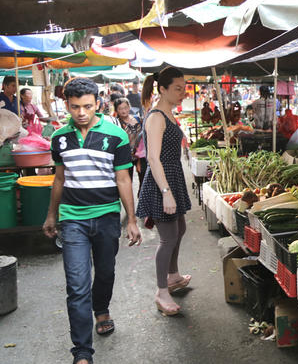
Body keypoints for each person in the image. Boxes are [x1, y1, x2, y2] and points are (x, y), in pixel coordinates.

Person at [42, 77, 142, 364]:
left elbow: (123, 179)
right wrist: (52, 214)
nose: (81, 113)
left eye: (87, 106)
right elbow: (59, 179)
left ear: (97, 103)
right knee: (76, 284)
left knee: (106, 272)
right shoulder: (59, 137)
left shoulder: (116, 136)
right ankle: (82, 351)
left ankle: (102, 309)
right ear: (67, 105)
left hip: (107, 217)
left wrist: (131, 220)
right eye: (75, 107)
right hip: (72, 219)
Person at [136, 68, 192, 316]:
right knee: (168, 237)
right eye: (178, 88)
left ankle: (173, 275)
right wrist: (166, 192)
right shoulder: (156, 116)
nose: (183, 92)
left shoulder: (167, 113)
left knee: (180, 229)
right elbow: (152, 158)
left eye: (183, 87)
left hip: (172, 176)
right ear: (162, 89)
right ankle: (161, 291)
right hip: (162, 181)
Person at [114, 98, 146, 191]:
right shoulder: (116, 123)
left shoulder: (138, 119)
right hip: (125, 156)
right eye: (120, 109)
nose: (124, 111)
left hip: (140, 155)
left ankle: (142, 200)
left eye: (125, 107)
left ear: (129, 107)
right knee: (127, 180)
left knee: (143, 179)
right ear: (116, 110)